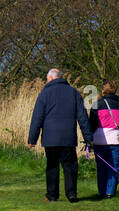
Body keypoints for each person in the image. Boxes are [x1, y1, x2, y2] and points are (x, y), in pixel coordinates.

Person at [27, 68, 94, 203]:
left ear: (51, 78)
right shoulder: (74, 93)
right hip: (68, 137)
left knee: (52, 166)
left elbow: (37, 118)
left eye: (47, 79)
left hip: (50, 138)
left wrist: (32, 139)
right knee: (70, 166)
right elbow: (82, 117)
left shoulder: (44, 93)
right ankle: (71, 194)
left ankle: (52, 195)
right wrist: (88, 137)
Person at [89, 82, 119, 199]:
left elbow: (91, 124)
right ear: (115, 91)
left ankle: (101, 192)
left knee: (101, 167)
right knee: (114, 167)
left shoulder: (96, 105)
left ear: (103, 92)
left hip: (99, 140)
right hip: (116, 141)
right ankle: (110, 193)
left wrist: (90, 138)